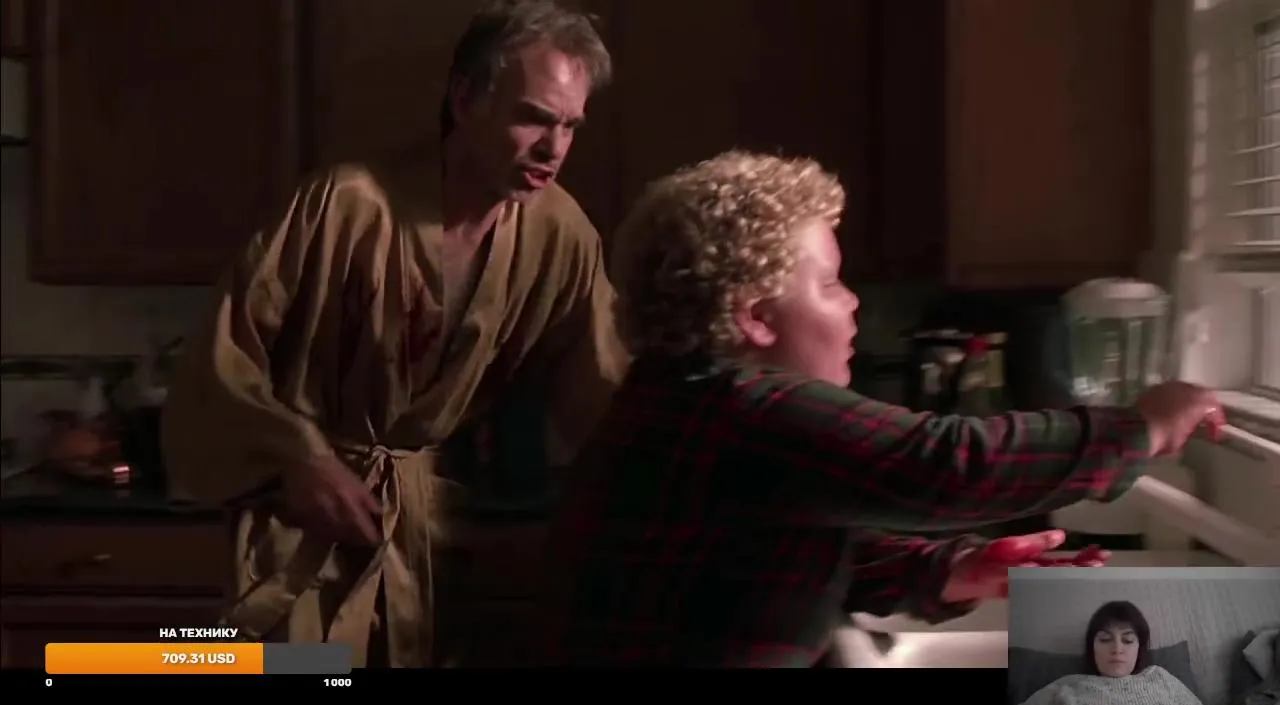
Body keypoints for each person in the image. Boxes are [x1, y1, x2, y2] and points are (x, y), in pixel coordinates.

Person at [538, 150, 1226, 668]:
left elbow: (772, 558)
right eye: (830, 284)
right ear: (756, 317)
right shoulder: (746, 407)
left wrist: (948, 572)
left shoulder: (671, 402)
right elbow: (949, 463)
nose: (852, 303)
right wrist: (1142, 426)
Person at [161, 0, 628, 668]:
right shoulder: (346, 205)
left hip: (429, 532)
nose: (553, 149)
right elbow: (224, 359)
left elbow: (600, 385)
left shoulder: (562, 233)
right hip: (303, 523)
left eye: (570, 126)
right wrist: (296, 457)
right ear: (464, 99)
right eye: (532, 118)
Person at [1009, 601, 1211, 705]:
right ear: (1092, 647)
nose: (1116, 649)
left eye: (1128, 640)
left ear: (1139, 648)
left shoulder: (1160, 678)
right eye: (1105, 639)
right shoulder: (1066, 687)